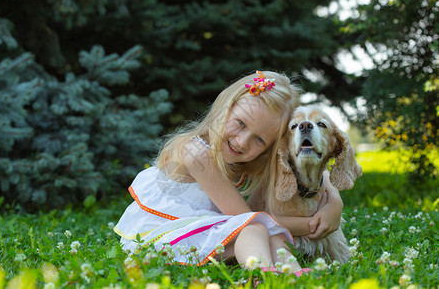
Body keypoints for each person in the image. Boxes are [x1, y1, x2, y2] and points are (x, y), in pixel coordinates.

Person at [114, 71, 343, 275]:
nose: (242, 142)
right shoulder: (196, 153)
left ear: (270, 148)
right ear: (226, 106)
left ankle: (292, 274)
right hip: (163, 237)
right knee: (255, 227)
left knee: (270, 231)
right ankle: (263, 275)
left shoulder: (246, 161)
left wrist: (335, 204)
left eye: (260, 139)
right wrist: (316, 224)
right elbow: (246, 219)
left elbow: (324, 177)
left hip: (203, 232)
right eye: (241, 123)